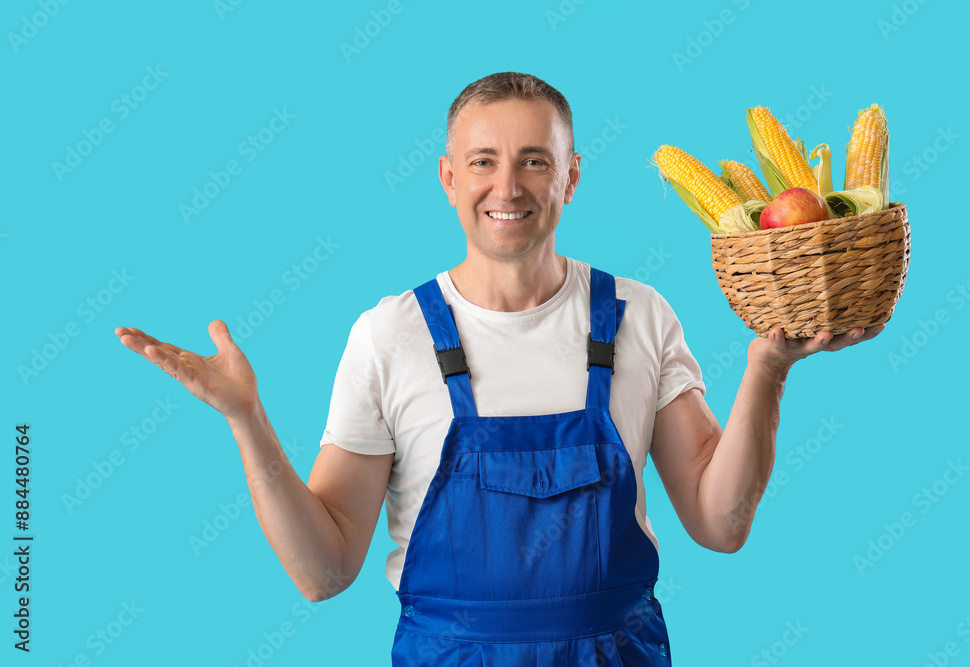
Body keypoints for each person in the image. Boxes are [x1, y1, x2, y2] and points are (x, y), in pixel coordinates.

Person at [115, 72, 883, 665]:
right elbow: (323, 571)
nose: (507, 187)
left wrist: (767, 370)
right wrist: (247, 421)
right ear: (449, 177)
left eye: (534, 161)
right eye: (483, 161)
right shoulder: (390, 335)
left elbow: (720, 524)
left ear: (570, 176)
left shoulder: (640, 315)